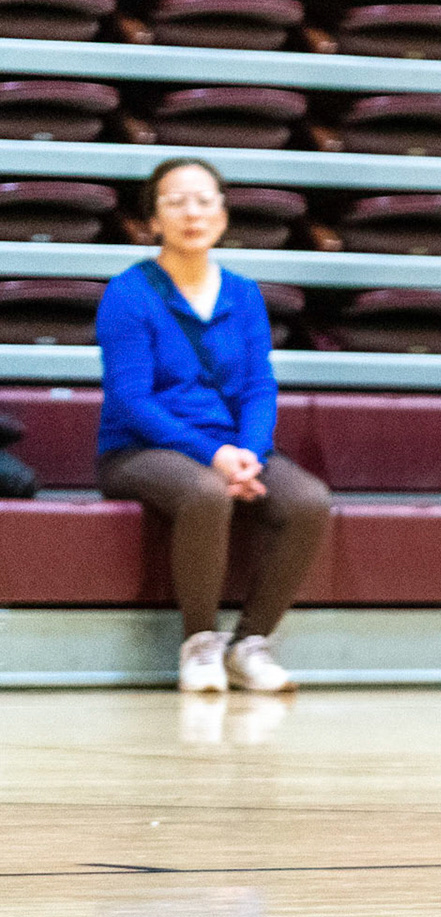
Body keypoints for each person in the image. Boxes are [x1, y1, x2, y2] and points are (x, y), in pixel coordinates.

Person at [96, 159, 332, 693]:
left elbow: (258, 387)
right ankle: (199, 645)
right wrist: (213, 456)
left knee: (308, 500)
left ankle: (250, 645)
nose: (192, 213)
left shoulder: (244, 294)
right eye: (175, 201)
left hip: (229, 447)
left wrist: (248, 451)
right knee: (206, 493)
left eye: (204, 200)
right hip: (139, 449)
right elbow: (131, 400)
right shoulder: (128, 294)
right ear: (152, 220)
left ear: (223, 217)